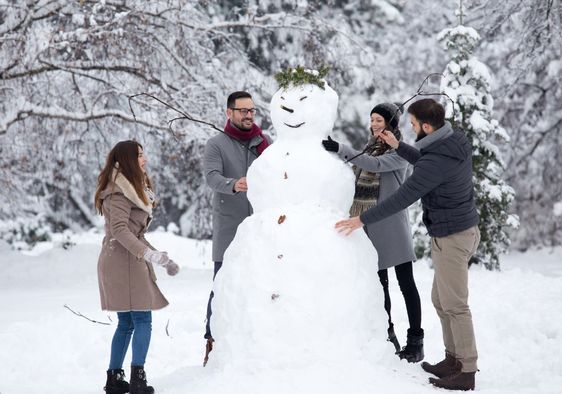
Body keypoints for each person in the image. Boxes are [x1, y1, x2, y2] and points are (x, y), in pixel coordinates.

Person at [335, 98, 480, 391]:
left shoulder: (437, 160)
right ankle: (453, 359)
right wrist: (399, 145)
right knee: (442, 301)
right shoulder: (451, 142)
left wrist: (362, 220)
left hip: (453, 235)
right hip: (451, 231)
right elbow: (426, 162)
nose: (410, 128)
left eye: (413, 124)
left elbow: (404, 196)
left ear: (427, 126)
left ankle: (466, 370)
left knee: (454, 304)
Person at [322, 102, 424, 362]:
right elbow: (359, 167)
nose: (375, 124)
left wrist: (341, 149)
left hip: (391, 224)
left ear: (391, 123)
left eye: (379, 120)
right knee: (380, 286)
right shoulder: (370, 146)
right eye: (372, 120)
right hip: (366, 223)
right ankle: (387, 334)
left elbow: (373, 166)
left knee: (406, 284)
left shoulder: (400, 151)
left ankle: (415, 341)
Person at [95, 140, 180, 394]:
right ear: (128, 160)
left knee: (128, 323)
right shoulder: (118, 190)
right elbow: (120, 230)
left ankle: (115, 378)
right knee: (141, 319)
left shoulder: (132, 188)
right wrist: (148, 255)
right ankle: (137, 379)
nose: (145, 159)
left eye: (144, 153)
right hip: (122, 262)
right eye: (140, 155)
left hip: (125, 259)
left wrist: (160, 258)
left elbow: (135, 233)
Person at [202, 91, 271, 365]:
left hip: (261, 227)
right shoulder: (216, 144)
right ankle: (212, 340)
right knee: (221, 285)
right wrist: (234, 184)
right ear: (229, 113)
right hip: (230, 226)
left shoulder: (263, 143)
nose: (248, 115)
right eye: (243, 110)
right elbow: (211, 176)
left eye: (252, 110)